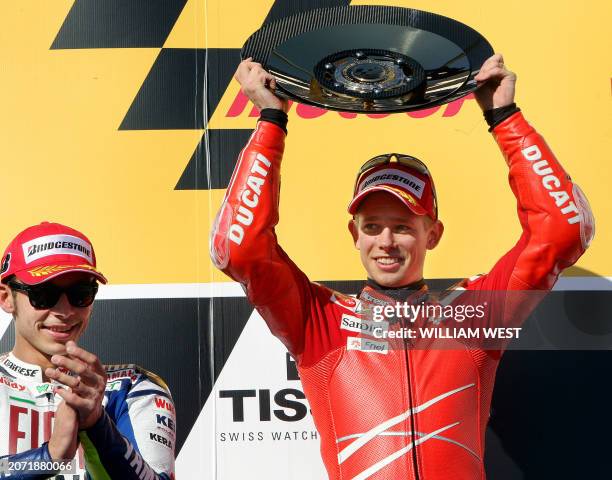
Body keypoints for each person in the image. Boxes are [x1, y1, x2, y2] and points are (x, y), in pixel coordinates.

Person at [210, 55, 594, 479]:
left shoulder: (471, 318)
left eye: (403, 226)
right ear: (355, 235)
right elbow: (238, 247)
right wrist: (270, 120)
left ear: (433, 234)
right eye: (372, 226)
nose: (386, 242)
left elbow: (563, 230)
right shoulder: (319, 322)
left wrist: (503, 116)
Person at [0, 222, 176, 479]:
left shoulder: (132, 387)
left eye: (80, 294)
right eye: (44, 294)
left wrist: (97, 424)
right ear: (6, 297)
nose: (65, 311)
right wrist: (48, 458)